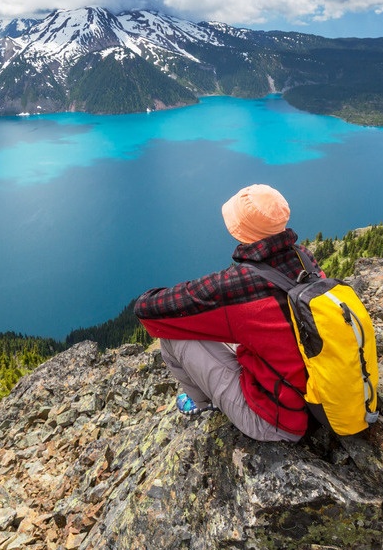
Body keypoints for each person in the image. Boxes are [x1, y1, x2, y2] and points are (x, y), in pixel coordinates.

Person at [134, 184, 321, 442]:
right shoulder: (305, 259)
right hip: (318, 396)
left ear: (240, 229)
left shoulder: (240, 285)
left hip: (277, 420)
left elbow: (147, 309)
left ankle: (202, 403)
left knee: (171, 335)